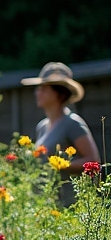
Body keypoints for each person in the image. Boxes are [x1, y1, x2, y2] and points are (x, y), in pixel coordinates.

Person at [20, 62, 101, 202]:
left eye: (44, 88)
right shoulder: (42, 126)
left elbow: (93, 160)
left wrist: (62, 165)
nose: (37, 92)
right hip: (46, 202)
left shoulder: (72, 123)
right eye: (38, 88)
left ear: (60, 94)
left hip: (69, 204)